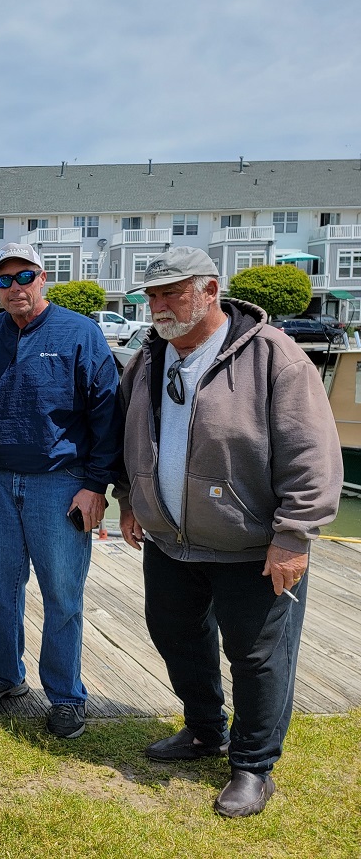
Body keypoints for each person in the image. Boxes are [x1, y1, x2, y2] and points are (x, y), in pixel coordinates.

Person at [115, 246, 341, 817]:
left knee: (259, 656)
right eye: (153, 294)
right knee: (175, 635)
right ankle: (203, 730)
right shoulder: (149, 357)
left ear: (210, 290)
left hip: (251, 545)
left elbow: (311, 451)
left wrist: (294, 534)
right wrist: (130, 500)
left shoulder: (274, 357)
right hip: (171, 540)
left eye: (173, 292)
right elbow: (131, 436)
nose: (160, 305)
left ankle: (253, 766)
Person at [0, 242, 120, 739]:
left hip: (61, 482)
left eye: (25, 276)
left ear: (44, 277)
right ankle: (6, 675)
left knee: (62, 594)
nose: (16, 288)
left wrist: (96, 486)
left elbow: (106, 414)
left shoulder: (81, 332)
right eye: (4, 281)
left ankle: (65, 694)